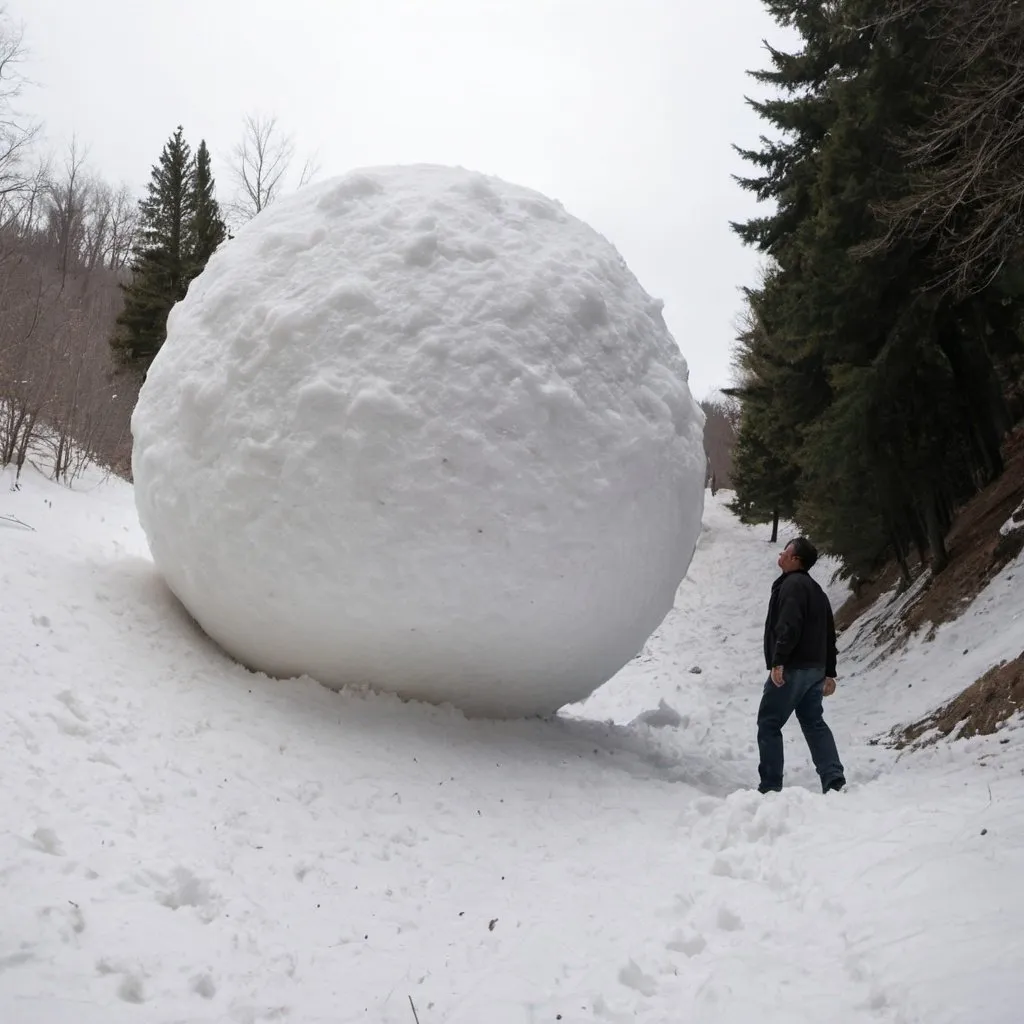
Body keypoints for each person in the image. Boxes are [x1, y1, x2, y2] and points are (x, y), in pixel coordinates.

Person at [758, 537, 846, 794]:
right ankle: (833, 777)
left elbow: (789, 626)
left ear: (795, 559)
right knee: (812, 721)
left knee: (769, 722)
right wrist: (829, 671)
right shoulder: (817, 590)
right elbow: (829, 633)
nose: (781, 555)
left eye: (785, 551)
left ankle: (770, 785)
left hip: (793, 667)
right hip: (815, 670)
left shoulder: (792, 586)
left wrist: (779, 661)